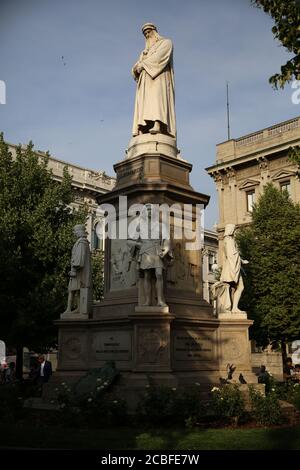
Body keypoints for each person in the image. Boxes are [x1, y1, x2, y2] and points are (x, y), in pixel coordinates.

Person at [132, 23, 176, 137]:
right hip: (145, 81)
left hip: (158, 78)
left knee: (157, 101)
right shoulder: (144, 52)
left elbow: (160, 58)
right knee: (145, 104)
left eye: (148, 32)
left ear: (154, 31)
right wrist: (136, 68)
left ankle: (158, 124)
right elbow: (137, 65)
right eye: (145, 34)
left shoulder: (166, 43)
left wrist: (144, 64)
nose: (147, 35)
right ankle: (143, 126)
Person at [219, 224, 249, 312]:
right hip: (231, 268)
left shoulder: (229, 240)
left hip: (233, 267)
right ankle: (231, 307)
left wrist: (242, 261)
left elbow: (234, 254)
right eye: (233, 230)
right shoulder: (229, 240)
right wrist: (242, 261)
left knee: (234, 288)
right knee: (238, 287)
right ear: (230, 230)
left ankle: (233, 307)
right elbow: (232, 255)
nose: (234, 231)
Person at [64, 224, 92, 315]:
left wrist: (74, 270)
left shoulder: (81, 243)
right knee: (76, 290)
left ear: (79, 232)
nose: (74, 233)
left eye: (75, 232)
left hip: (78, 272)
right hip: (79, 271)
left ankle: (70, 309)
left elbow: (79, 259)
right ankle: (78, 308)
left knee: (72, 290)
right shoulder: (83, 242)